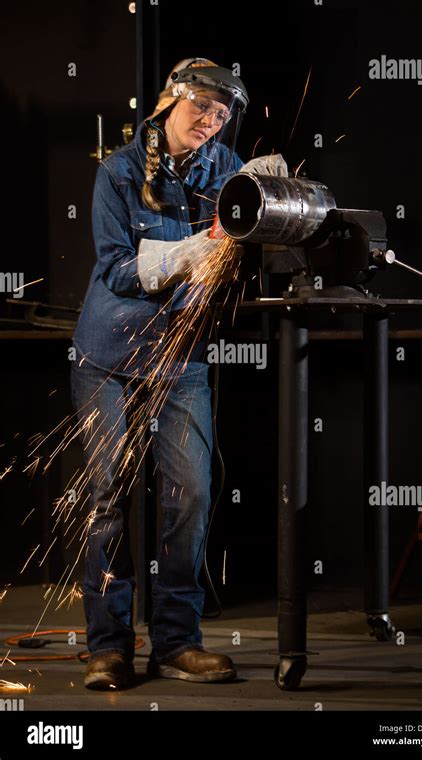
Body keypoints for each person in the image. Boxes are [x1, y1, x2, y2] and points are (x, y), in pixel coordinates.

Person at [71, 57, 286, 690]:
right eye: (202, 109)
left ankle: (177, 642)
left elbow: (247, 224)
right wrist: (190, 250)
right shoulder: (116, 173)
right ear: (169, 102)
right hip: (108, 354)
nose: (212, 123)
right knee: (107, 500)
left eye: (222, 117)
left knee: (187, 495)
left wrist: (265, 197)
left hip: (181, 353)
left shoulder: (222, 166)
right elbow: (115, 270)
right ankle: (108, 646)